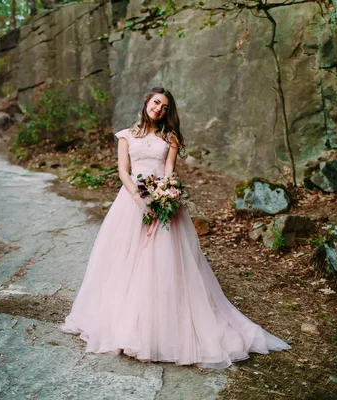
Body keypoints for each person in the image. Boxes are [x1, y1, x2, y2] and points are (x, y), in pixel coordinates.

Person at [61, 87, 290, 368]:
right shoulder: (126, 136)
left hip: (162, 200)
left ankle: (161, 327)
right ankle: (124, 324)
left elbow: (169, 170)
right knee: (124, 260)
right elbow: (123, 170)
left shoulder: (169, 138)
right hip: (131, 201)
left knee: (163, 263)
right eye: (156, 102)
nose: (159, 108)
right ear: (146, 102)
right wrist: (138, 198)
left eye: (165, 107)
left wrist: (164, 196)